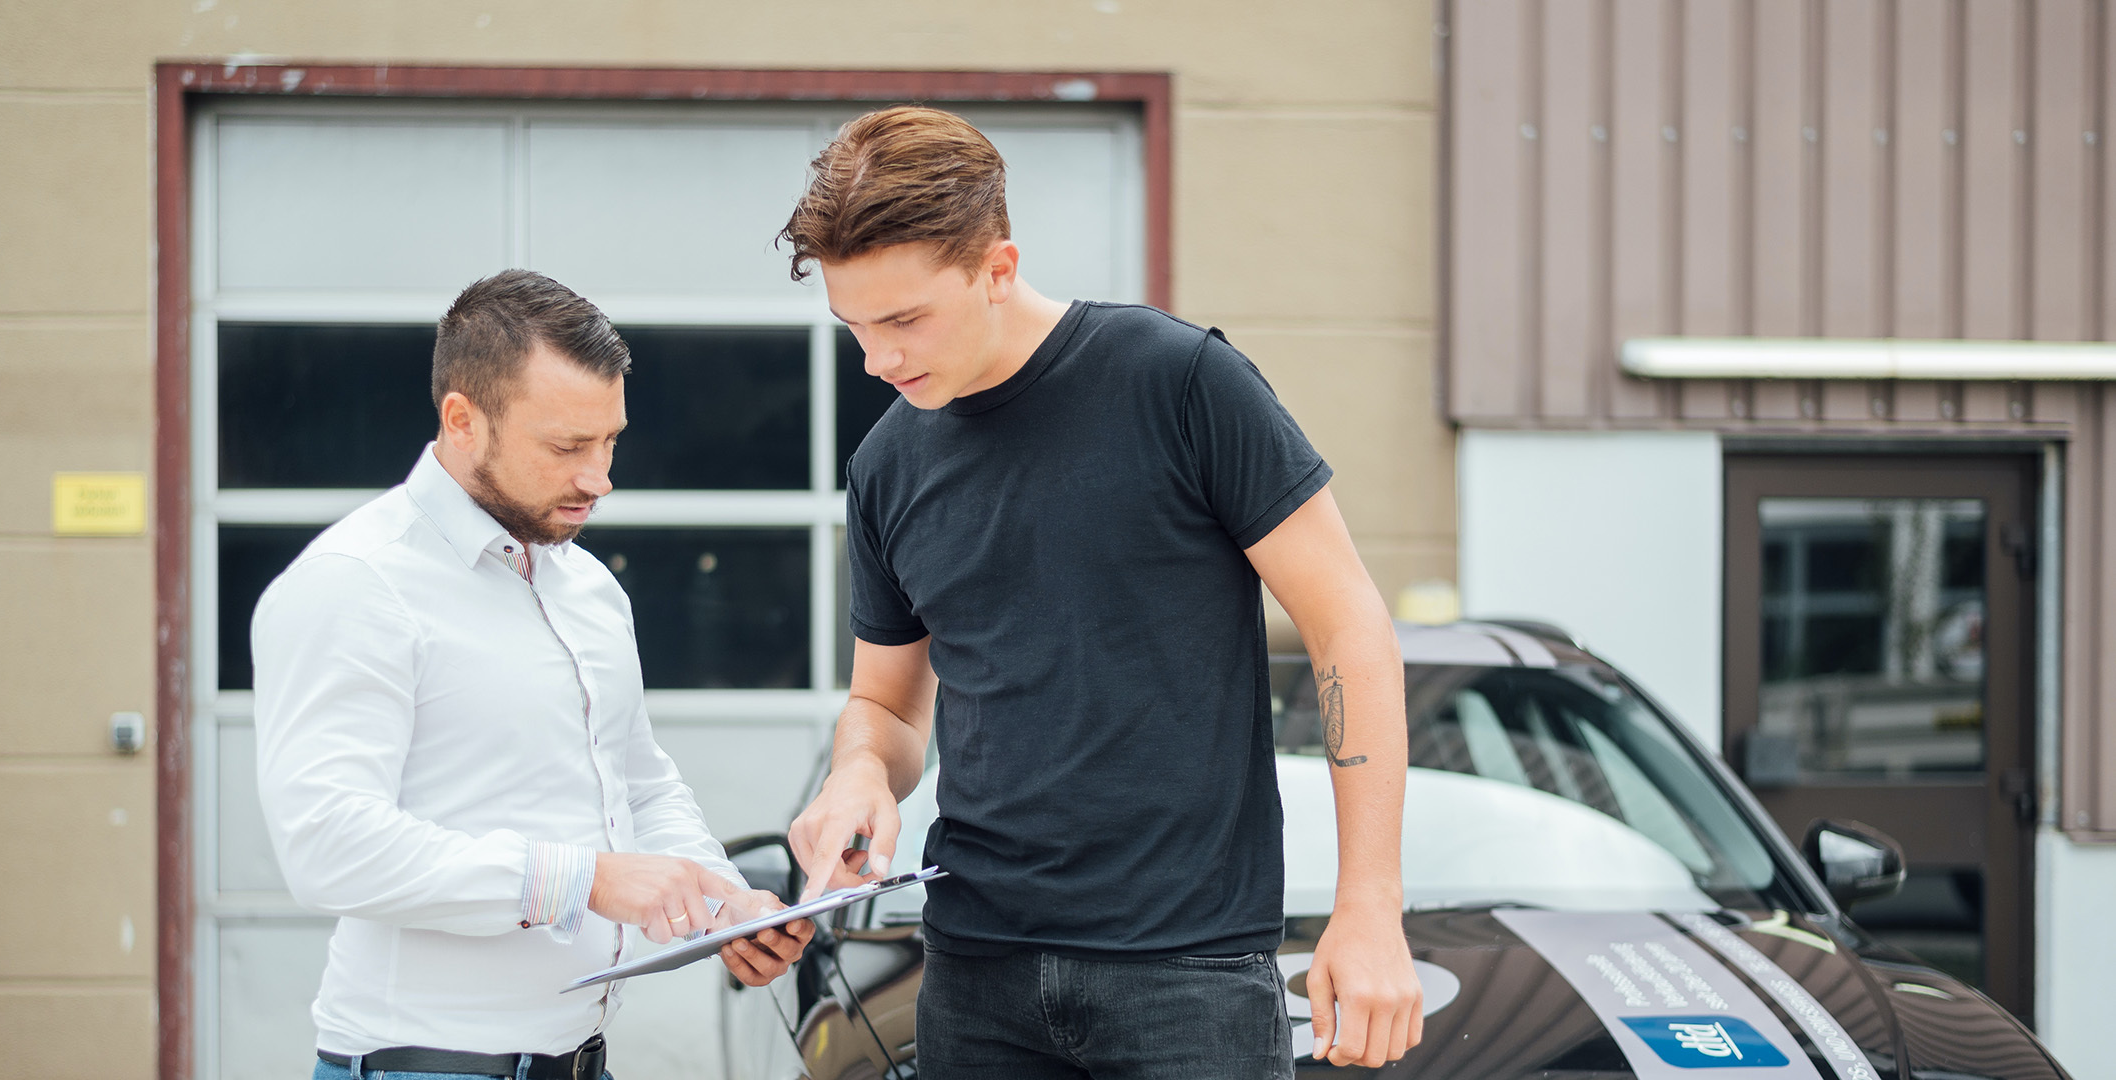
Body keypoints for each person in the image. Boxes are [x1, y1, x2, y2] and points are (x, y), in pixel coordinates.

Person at [781, 107, 1425, 1078]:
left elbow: (1348, 629)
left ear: (998, 268)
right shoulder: (885, 465)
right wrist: (859, 775)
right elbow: (886, 704)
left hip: (1188, 977)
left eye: (905, 319)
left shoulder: (1182, 384)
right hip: (973, 974)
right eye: (855, 326)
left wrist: (1370, 907)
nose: (878, 359)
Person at [253, 270, 811, 1080]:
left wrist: (724, 908)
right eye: (566, 447)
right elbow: (328, 844)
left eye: (610, 440)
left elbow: (640, 787)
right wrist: (583, 881)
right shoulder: (355, 582)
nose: (600, 477)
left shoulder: (587, 587)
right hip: (424, 1067)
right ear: (462, 420)